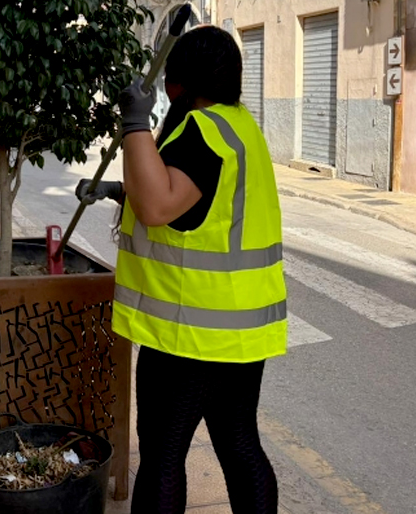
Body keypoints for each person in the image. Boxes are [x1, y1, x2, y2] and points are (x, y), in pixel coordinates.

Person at [77, 26, 286, 514]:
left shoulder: (199, 131)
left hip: (188, 330)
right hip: (236, 329)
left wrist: (133, 124)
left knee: (163, 458)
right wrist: (115, 192)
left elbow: (159, 206)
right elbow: (193, 204)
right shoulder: (238, 127)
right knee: (239, 444)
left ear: (177, 82)